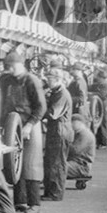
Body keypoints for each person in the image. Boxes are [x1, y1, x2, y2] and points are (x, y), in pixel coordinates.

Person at [0, 51, 46, 213]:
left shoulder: (32, 80)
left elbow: (41, 107)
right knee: (14, 164)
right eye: (7, 67)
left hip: (30, 124)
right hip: (12, 126)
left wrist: (30, 125)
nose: (9, 70)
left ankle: (34, 203)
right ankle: (20, 202)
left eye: (12, 67)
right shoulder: (6, 80)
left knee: (31, 164)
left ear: (21, 65)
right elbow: (2, 102)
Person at [42, 68, 74, 201]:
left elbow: (52, 114)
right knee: (50, 161)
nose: (47, 82)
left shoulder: (62, 94)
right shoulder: (56, 92)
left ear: (57, 80)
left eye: (49, 79)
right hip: (55, 129)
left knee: (57, 163)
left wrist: (38, 111)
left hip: (60, 130)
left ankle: (56, 194)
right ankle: (50, 192)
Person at [66, 113, 96, 190]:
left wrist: (65, 144)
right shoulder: (80, 133)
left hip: (81, 166)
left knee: (58, 167)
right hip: (78, 163)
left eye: (72, 123)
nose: (71, 126)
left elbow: (75, 150)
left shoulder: (84, 135)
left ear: (79, 123)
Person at [91, 69, 107, 149]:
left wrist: (92, 94)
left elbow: (102, 95)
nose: (97, 79)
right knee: (101, 125)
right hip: (101, 106)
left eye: (98, 77)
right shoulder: (103, 84)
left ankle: (103, 143)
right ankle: (100, 142)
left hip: (104, 106)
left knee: (102, 125)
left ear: (102, 78)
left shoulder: (106, 85)